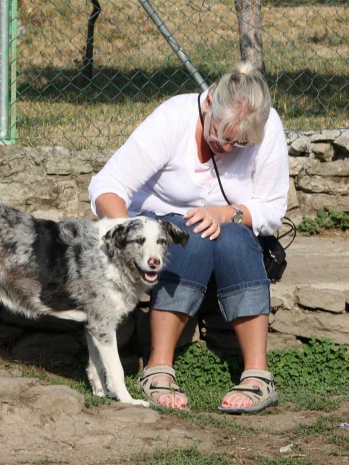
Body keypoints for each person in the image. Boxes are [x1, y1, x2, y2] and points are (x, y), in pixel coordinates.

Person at [88, 61, 289, 413]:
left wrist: (226, 214)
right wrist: (128, 237)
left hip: (228, 231)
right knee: (191, 236)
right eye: (222, 136)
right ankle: (158, 368)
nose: (228, 148)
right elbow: (106, 187)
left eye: (240, 143)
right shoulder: (173, 119)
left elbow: (272, 209)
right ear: (209, 101)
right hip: (162, 228)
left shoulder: (267, 125)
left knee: (235, 238)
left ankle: (258, 374)